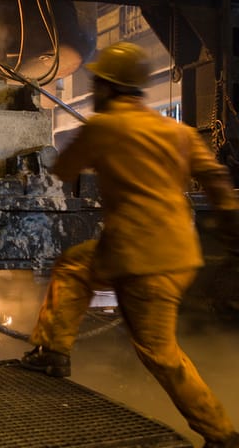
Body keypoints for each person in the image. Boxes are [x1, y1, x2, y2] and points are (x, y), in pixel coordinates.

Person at [20, 41, 239, 448]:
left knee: (159, 353)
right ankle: (53, 350)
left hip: (140, 258)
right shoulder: (179, 132)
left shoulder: (104, 127)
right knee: (76, 266)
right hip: (177, 254)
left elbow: (63, 170)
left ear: (106, 87)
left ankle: (222, 435)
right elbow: (219, 185)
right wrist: (231, 233)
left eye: (98, 83)